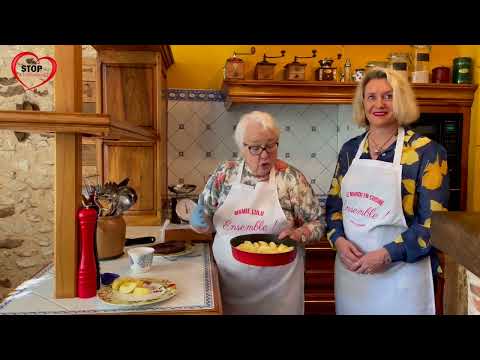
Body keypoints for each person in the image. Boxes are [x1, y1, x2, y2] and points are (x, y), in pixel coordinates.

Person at [326, 67, 449, 315]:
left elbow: (433, 225)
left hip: (403, 278)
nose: (379, 104)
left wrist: (386, 255)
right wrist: (338, 240)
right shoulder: (350, 150)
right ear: (363, 102)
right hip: (354, 277)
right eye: (371, 97)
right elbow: (333, 208)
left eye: (388, 96)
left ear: (401, 100)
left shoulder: (427, 152)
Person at [190, 110, 325, 315]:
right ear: (241, 147)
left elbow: (318, 222)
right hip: (229, 284)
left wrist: (299, 233)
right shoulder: (224, 175)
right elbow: (203, 221)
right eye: (255, 148)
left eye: (270, 146)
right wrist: (199, 222)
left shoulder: (291, 179)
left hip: (279, 291)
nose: (264, 155)